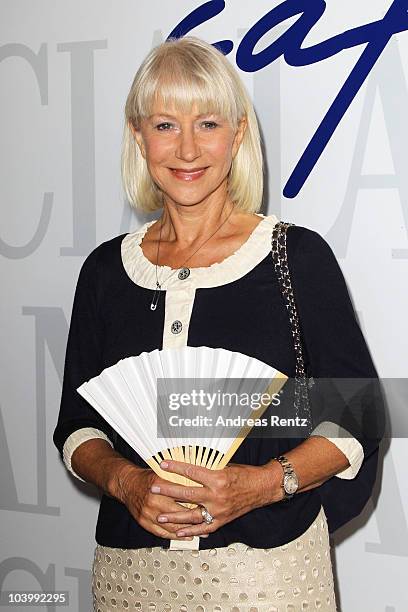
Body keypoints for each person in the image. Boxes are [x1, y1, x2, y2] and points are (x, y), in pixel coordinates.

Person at [53, 36, 383, 611]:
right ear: (137, 136)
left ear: (238, 135)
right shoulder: (106, 271)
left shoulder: (295, 259)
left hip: (266, 574)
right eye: (164, 125)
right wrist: (127, 483)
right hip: (131, 575)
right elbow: (78, 430)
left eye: (207, 123)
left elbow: (357, 415)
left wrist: (258, 485)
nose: (185, 149)